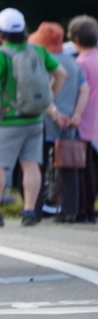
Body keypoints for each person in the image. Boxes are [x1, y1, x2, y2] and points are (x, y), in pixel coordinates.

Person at [0, 8, 67, 228]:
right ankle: (30, 212)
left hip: (8, 119)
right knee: (31, 165)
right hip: (34, 119)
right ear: (24, 29)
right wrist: (48, 99)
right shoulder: (38, 51)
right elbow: (62, 74)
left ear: (0, 32)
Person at [27, 22, 89, 219]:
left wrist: (54, 114)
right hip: (70, 121)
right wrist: (77, 115)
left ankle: (35, 209)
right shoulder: (73, 62)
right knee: (68, 166)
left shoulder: (40, 61)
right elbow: (84, 90)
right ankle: (69, 211)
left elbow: (42, 92)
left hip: (45, 120)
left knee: (39, 164)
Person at [68, 15, 98, 222]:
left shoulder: (79, 64)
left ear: (75, 38)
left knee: (84, 170)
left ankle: (85, 209)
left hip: (85, 122)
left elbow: (76, 94)